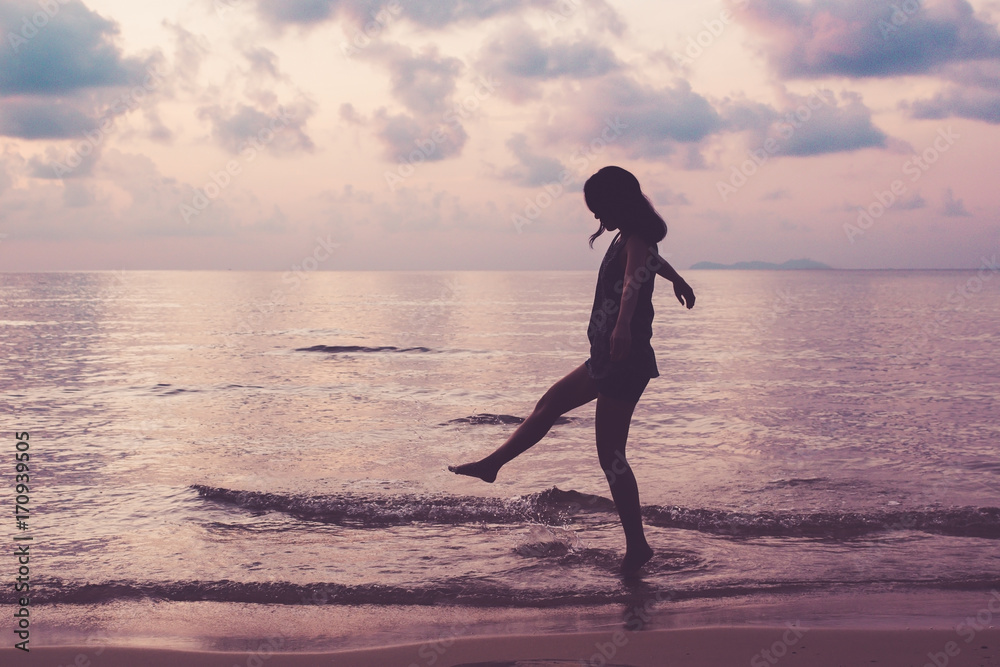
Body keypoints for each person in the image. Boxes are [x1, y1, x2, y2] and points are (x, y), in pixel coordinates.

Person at [449, 166, 695, 576]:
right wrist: (678, 279)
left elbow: (633, 281)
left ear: (618, 202)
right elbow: (651, 261)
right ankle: (492, 465)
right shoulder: (630, 238)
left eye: (599, 208)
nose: (596, 217)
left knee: (612, 457)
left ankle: (638, 546)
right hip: (607, 357)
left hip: (623, 358)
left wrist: (622, 325)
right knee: (549, 404)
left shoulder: (635, 238)